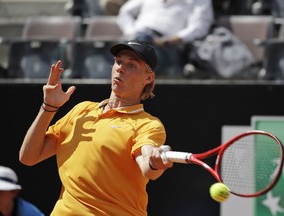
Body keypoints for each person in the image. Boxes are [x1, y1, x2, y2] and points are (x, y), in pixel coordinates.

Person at [19, 40, 173, 215]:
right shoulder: (81, 110)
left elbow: (147, 166)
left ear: (148, 78)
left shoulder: (148, 124)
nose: (120, 68)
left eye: (131, 65)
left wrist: (154, 162)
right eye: (119, 61)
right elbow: (28, 157)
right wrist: (48, 107)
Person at [117, 0, 214, 77]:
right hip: (139, 37)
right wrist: (131, 32)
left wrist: (170, 40)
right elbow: (125, 12)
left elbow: (200, 27)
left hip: (168, 45)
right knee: (133, 49)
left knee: (133, 57)